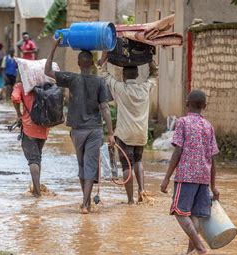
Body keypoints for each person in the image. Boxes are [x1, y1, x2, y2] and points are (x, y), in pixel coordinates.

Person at [45, 37, 115, 214]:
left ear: (78, 62)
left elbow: (47, 71)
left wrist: (53, 48)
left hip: (77, 131)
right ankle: (86, 203)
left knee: (82, 166)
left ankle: (85, 202)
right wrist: (111, 133)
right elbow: (105, 108)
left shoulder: (71, 78)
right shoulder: (100, 82)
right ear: (92, 63)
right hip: (94, 130)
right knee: (90, 165)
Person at [160, 90, 220, 255]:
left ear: (187, 103)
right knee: (194, 214)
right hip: (203, 177)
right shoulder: (209, 127)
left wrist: (166, 178)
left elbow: (177, 151)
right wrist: (214, 186)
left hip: (186, 175)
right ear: (205, 106)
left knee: (179, 212)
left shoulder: (182, 122)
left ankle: (200, 248)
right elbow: (213, 158)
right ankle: (191, 252)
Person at [98, 52, 158, 204]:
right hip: (141, 134)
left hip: (124, 134)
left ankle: (130, 200)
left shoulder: (120, 88)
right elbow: (154, 74)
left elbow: (104, 74)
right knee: (138, 162)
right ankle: (142, 190)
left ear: (124, 76)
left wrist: (105, 59)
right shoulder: (145, 88)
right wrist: (149, 57)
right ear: (137, 75)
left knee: (127, 166)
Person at [11, 81, 50, 197]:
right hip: (45, 125)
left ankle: (37, 194)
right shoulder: (45, 83)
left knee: (33, 160)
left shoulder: (21, 85)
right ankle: (36, 186)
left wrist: (19, 114)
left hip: (29, 126)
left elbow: (15, 98)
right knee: (38, 157)